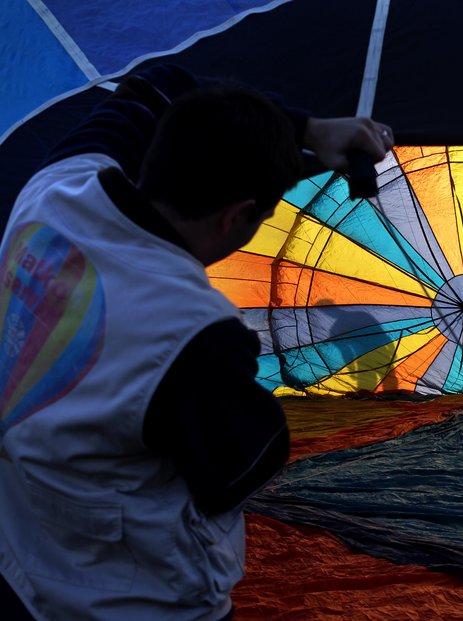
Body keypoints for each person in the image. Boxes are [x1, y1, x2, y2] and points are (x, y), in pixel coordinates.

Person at [0, 64, 393, 621]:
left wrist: (307, 130)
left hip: (17, 552)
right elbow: (244, 465)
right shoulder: (192, 329)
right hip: (119, 599)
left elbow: (155, 81)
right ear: (236, 217)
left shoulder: (56, 186)